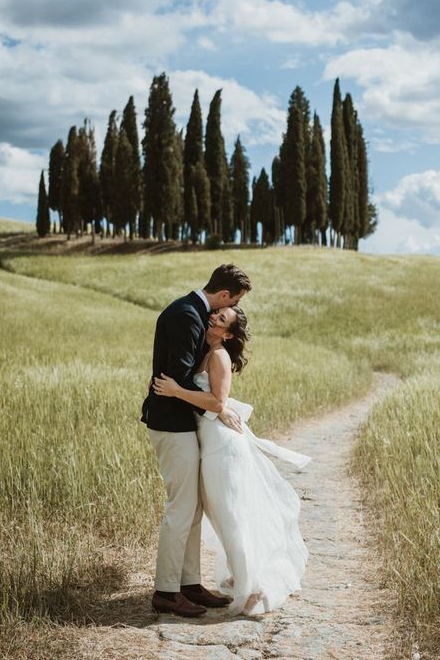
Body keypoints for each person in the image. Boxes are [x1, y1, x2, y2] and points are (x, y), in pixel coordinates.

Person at [153, 305, 311, 616]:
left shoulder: (219, 356)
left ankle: (253, 588)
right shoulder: (206, 351)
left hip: (221, 447)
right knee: (221, 515)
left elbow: (216, 402)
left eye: (221, 319)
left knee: (230, 517)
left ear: (227, 334)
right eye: (216, 314)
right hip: (210, 442)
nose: (213, 317)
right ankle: (245, 578)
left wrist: (174, 391)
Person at [142, 263, 252, 617]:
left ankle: (188, 584)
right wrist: (218, 408)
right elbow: (175, 377)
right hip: (172, 424)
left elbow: (183, 375)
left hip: (182, 423)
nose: (222, 312)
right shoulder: (189, 315)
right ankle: (166, 592)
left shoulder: (187, 311)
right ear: (224, 295)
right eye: (230, 302)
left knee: (191, 509)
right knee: (180, 509)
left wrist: (217, 406)